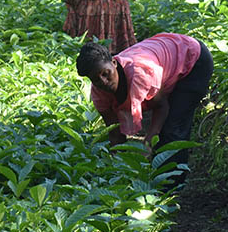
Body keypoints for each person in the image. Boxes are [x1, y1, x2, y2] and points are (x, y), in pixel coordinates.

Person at [75, 33, 213, 170]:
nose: (103, 82)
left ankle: (172, 187)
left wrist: (148, 143)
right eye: (96, 79)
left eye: (106, 74)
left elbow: (161, 106)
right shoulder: (99, 94)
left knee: (172, 130)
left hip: (192, 57)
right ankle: (160, 180)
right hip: (165, 56)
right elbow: (115, 132)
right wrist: (114, 167)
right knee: (164, 133)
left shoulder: (140, 74)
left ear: (114, 63)